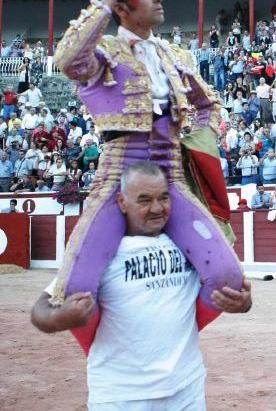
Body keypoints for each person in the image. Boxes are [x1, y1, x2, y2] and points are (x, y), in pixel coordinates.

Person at [51, 0, 241, 349]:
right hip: (119, 172)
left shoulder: (175, 55)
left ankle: (166, 336)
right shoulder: (104, 50)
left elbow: (208, 104)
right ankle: (107, 350)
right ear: (124, 6)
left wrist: (194, 142)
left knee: (228, 278)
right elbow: (66, 61)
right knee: (76, 290)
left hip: (171, 172)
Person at [30, 161, 252, 409]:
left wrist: (243, 304)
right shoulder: (100, 253)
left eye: (164, 198)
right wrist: (60, 317)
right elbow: (39, 309)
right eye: (144, 200)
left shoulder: (190, 247)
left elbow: (235, 292)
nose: (157, 208)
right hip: (120, 396)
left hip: (186, 388)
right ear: (123, 203)